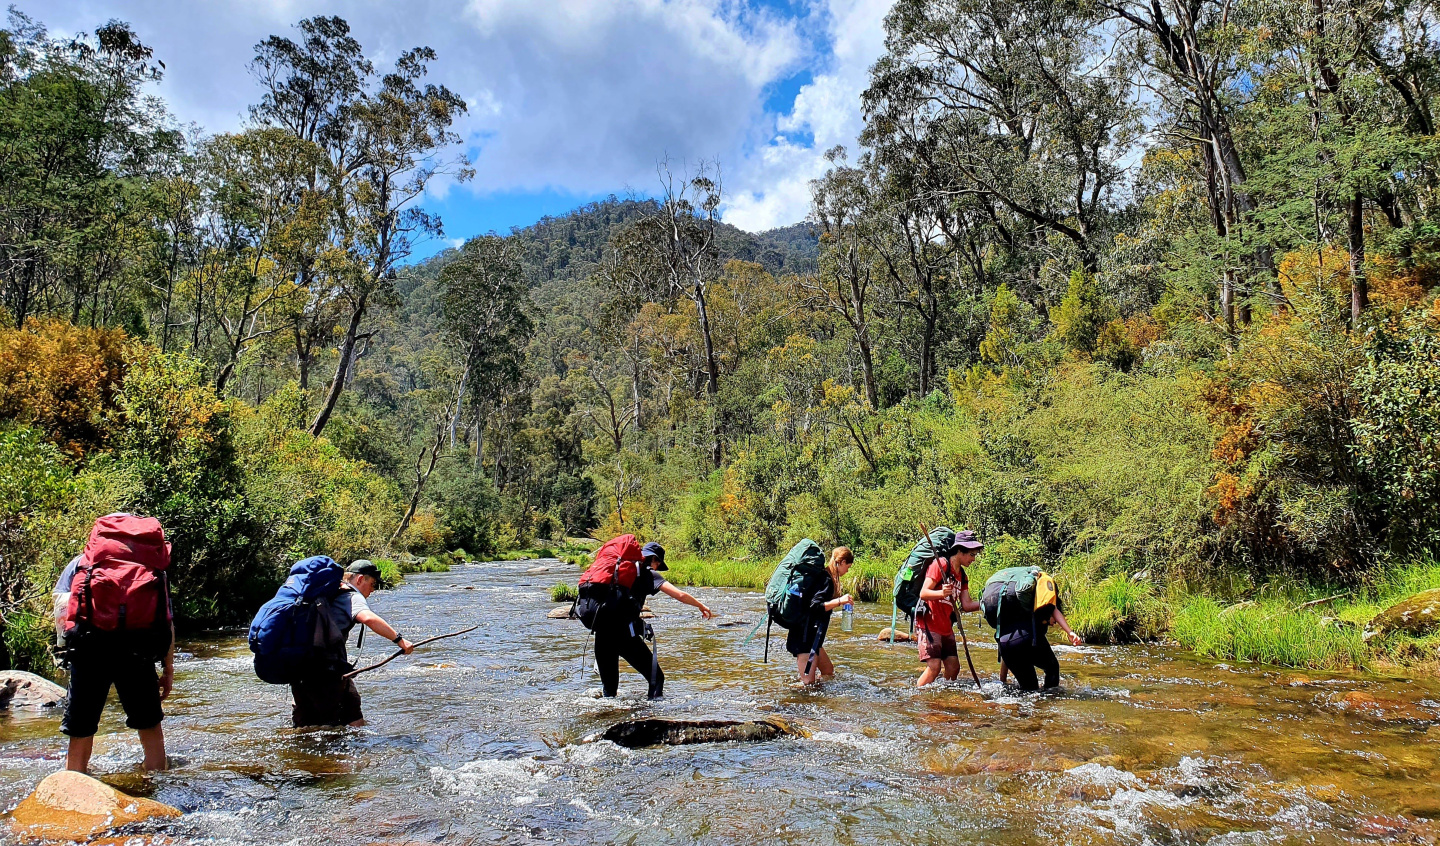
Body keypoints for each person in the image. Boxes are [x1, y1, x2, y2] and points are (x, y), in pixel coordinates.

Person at [54, 514, 174, 773]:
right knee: (149, 726)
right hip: (138, 650)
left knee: (81, 728)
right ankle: (158, 791)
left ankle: (73, 783)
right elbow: (166, 622)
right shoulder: (153, 568)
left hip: (89, 649)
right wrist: (168, 669)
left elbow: (62, 612)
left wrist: (67, 653)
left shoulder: (82, 564)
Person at [290, 560, 414, 728]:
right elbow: (368, 618)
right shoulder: (352, 596)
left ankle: (298, 752)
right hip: (327, 670)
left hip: (299, 667)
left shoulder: (327, 592)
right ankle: (350, 753)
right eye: (372, 584)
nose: (373, 590)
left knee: (308, 724)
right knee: (342, 720)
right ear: (360, 579)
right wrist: (400, 640)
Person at [593, 542, 714, 699]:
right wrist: (700, 605)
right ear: (654, 559)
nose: (657, 567)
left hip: (601, 634)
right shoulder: (648, 574)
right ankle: (652, 718)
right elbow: (680, 595)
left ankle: (606, 718)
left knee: (609, 691)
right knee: (657, 679)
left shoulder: (618, 572)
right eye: (658, 564)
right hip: (624, 636)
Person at [916, 530, 984, 688]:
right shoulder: (940, 565)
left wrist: (986, 603)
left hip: (946, 627)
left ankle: (942, 699)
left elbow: (966, 605)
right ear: (960, 551)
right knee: (934, 667)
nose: (973, 559)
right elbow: (924, 593)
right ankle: (916, 698)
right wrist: (941, 593)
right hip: (929, 624)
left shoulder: (963, 576)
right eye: (972, 555)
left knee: (953, 668)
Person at [788, 547, 854, 685]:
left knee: (828, 671)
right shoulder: (826, 579)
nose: (847, 571)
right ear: (841, 562)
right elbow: (814, 607)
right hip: (804, 637)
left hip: (812, 636)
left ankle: (819, 696)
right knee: (808, 683)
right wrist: (839, 601)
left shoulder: (825, 577)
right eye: (848, 567)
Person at [998, 601, 1082, 691]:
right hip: (1024, 641)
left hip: (1004, 643)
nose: (1055, 623)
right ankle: (1050, 699)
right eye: (1056, 620)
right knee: (1052, 668)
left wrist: (1003, 681)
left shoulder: (1019, 617)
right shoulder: (1038, 620)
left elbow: (1006, 650)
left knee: (1029, 689)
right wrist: (1070, 632)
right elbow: (1053, 608)